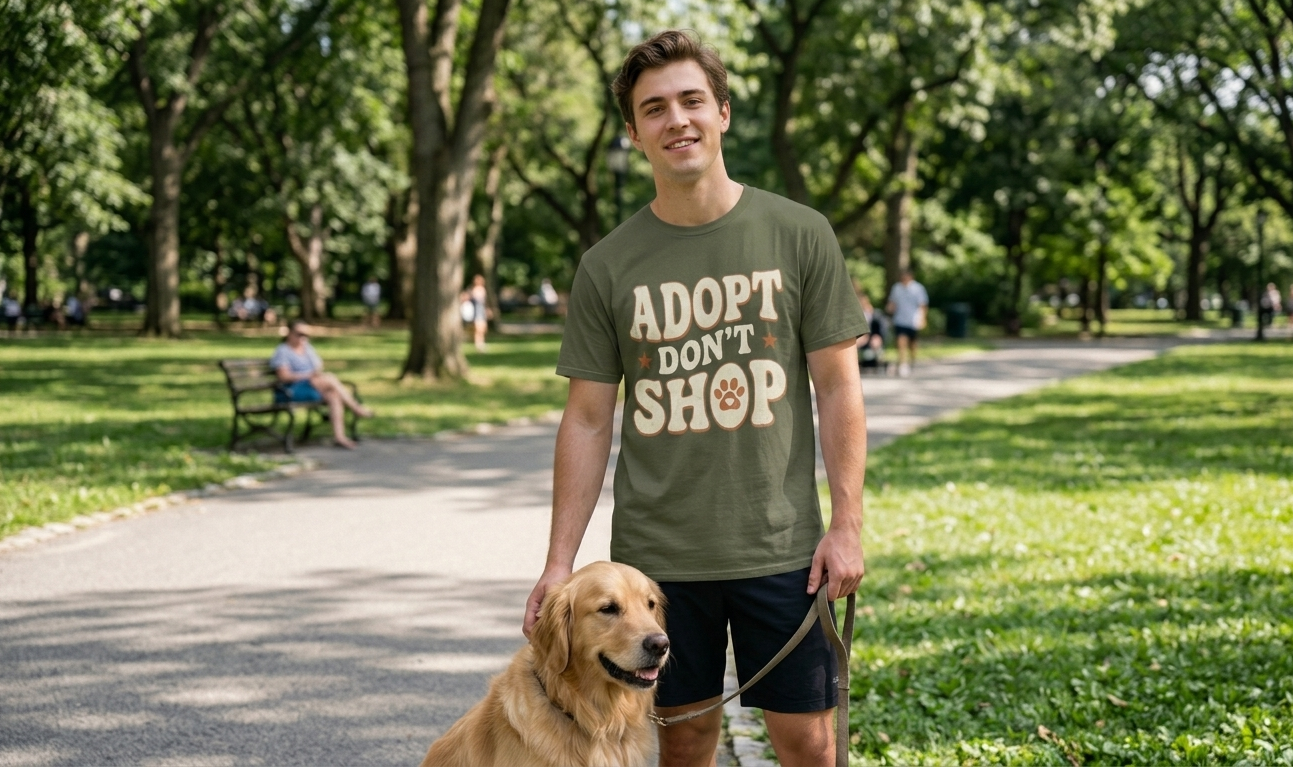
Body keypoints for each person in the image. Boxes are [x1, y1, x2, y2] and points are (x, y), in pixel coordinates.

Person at [522, 30, 868, 767]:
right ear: (634, 132)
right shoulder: (606, 265)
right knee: (682, 739)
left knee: (807, 741)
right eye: (654, 109)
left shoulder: (799, 234)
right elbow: (586, 419)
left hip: (783, 546)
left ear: (722, 113)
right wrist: (559, 562)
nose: (675, 119)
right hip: (657, 563)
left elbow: (838, 387)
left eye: (690, 101)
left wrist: (847, 524)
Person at [270, 320, 374, 449]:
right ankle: (356, 408)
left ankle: (339, 437)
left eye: (306, 335)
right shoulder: (283, 351)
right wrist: (308, 375)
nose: (303, 337)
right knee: (330, 378)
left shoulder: (306, 348)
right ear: (290, 333)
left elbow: (318, 366)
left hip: (312, 386)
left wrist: (314, 373)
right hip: (291, 390)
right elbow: (284, 377)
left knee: (333, 395)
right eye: (299, 334)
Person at [886, 268, 928, 377]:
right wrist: (889, 309)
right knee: (901, 340)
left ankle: (912, 360)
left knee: (912, 343)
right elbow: (893, 302)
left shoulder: (918, 288)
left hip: (913, 320)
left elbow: (922, 305)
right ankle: (902, 364)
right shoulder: (897, 288)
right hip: (900, 319)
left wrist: (922, 318)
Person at [856, 293, 885, 372]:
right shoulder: (856, 314)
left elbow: (879, 328)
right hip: (861, 336)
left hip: (873, 336)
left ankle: (879, 365)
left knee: (876, 342)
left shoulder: (875, 314)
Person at [469, 274, 489, 351]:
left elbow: (484, 303)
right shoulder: (473, 290)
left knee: (483, 329)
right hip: (476, 312)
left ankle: (482, 343)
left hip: (482, 312)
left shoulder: (483, 289)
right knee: (477, 329)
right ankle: (478, 345)